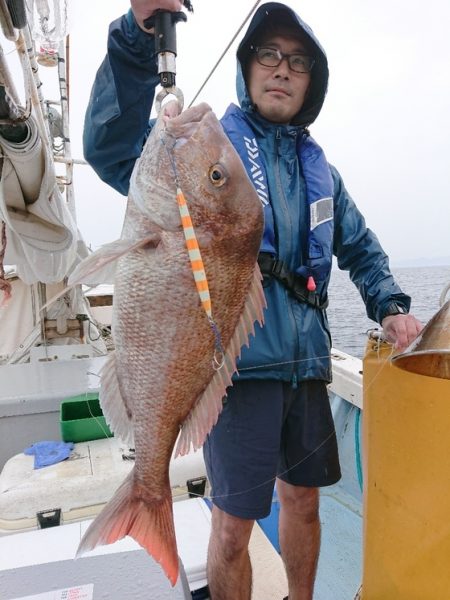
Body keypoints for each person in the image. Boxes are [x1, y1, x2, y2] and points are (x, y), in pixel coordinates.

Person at [83, 2, 424, 598]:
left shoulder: (324, 173)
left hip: (308, 367)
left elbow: (361, 249)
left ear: (312, 82)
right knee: (233, 527)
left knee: (305, 504)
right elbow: (110, 146)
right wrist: (138, 37)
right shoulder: (210, 149)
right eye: (268, 54)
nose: (282, 70)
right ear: (246, 67)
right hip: (236, 371)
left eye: (298, 62)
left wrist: (391, 305)